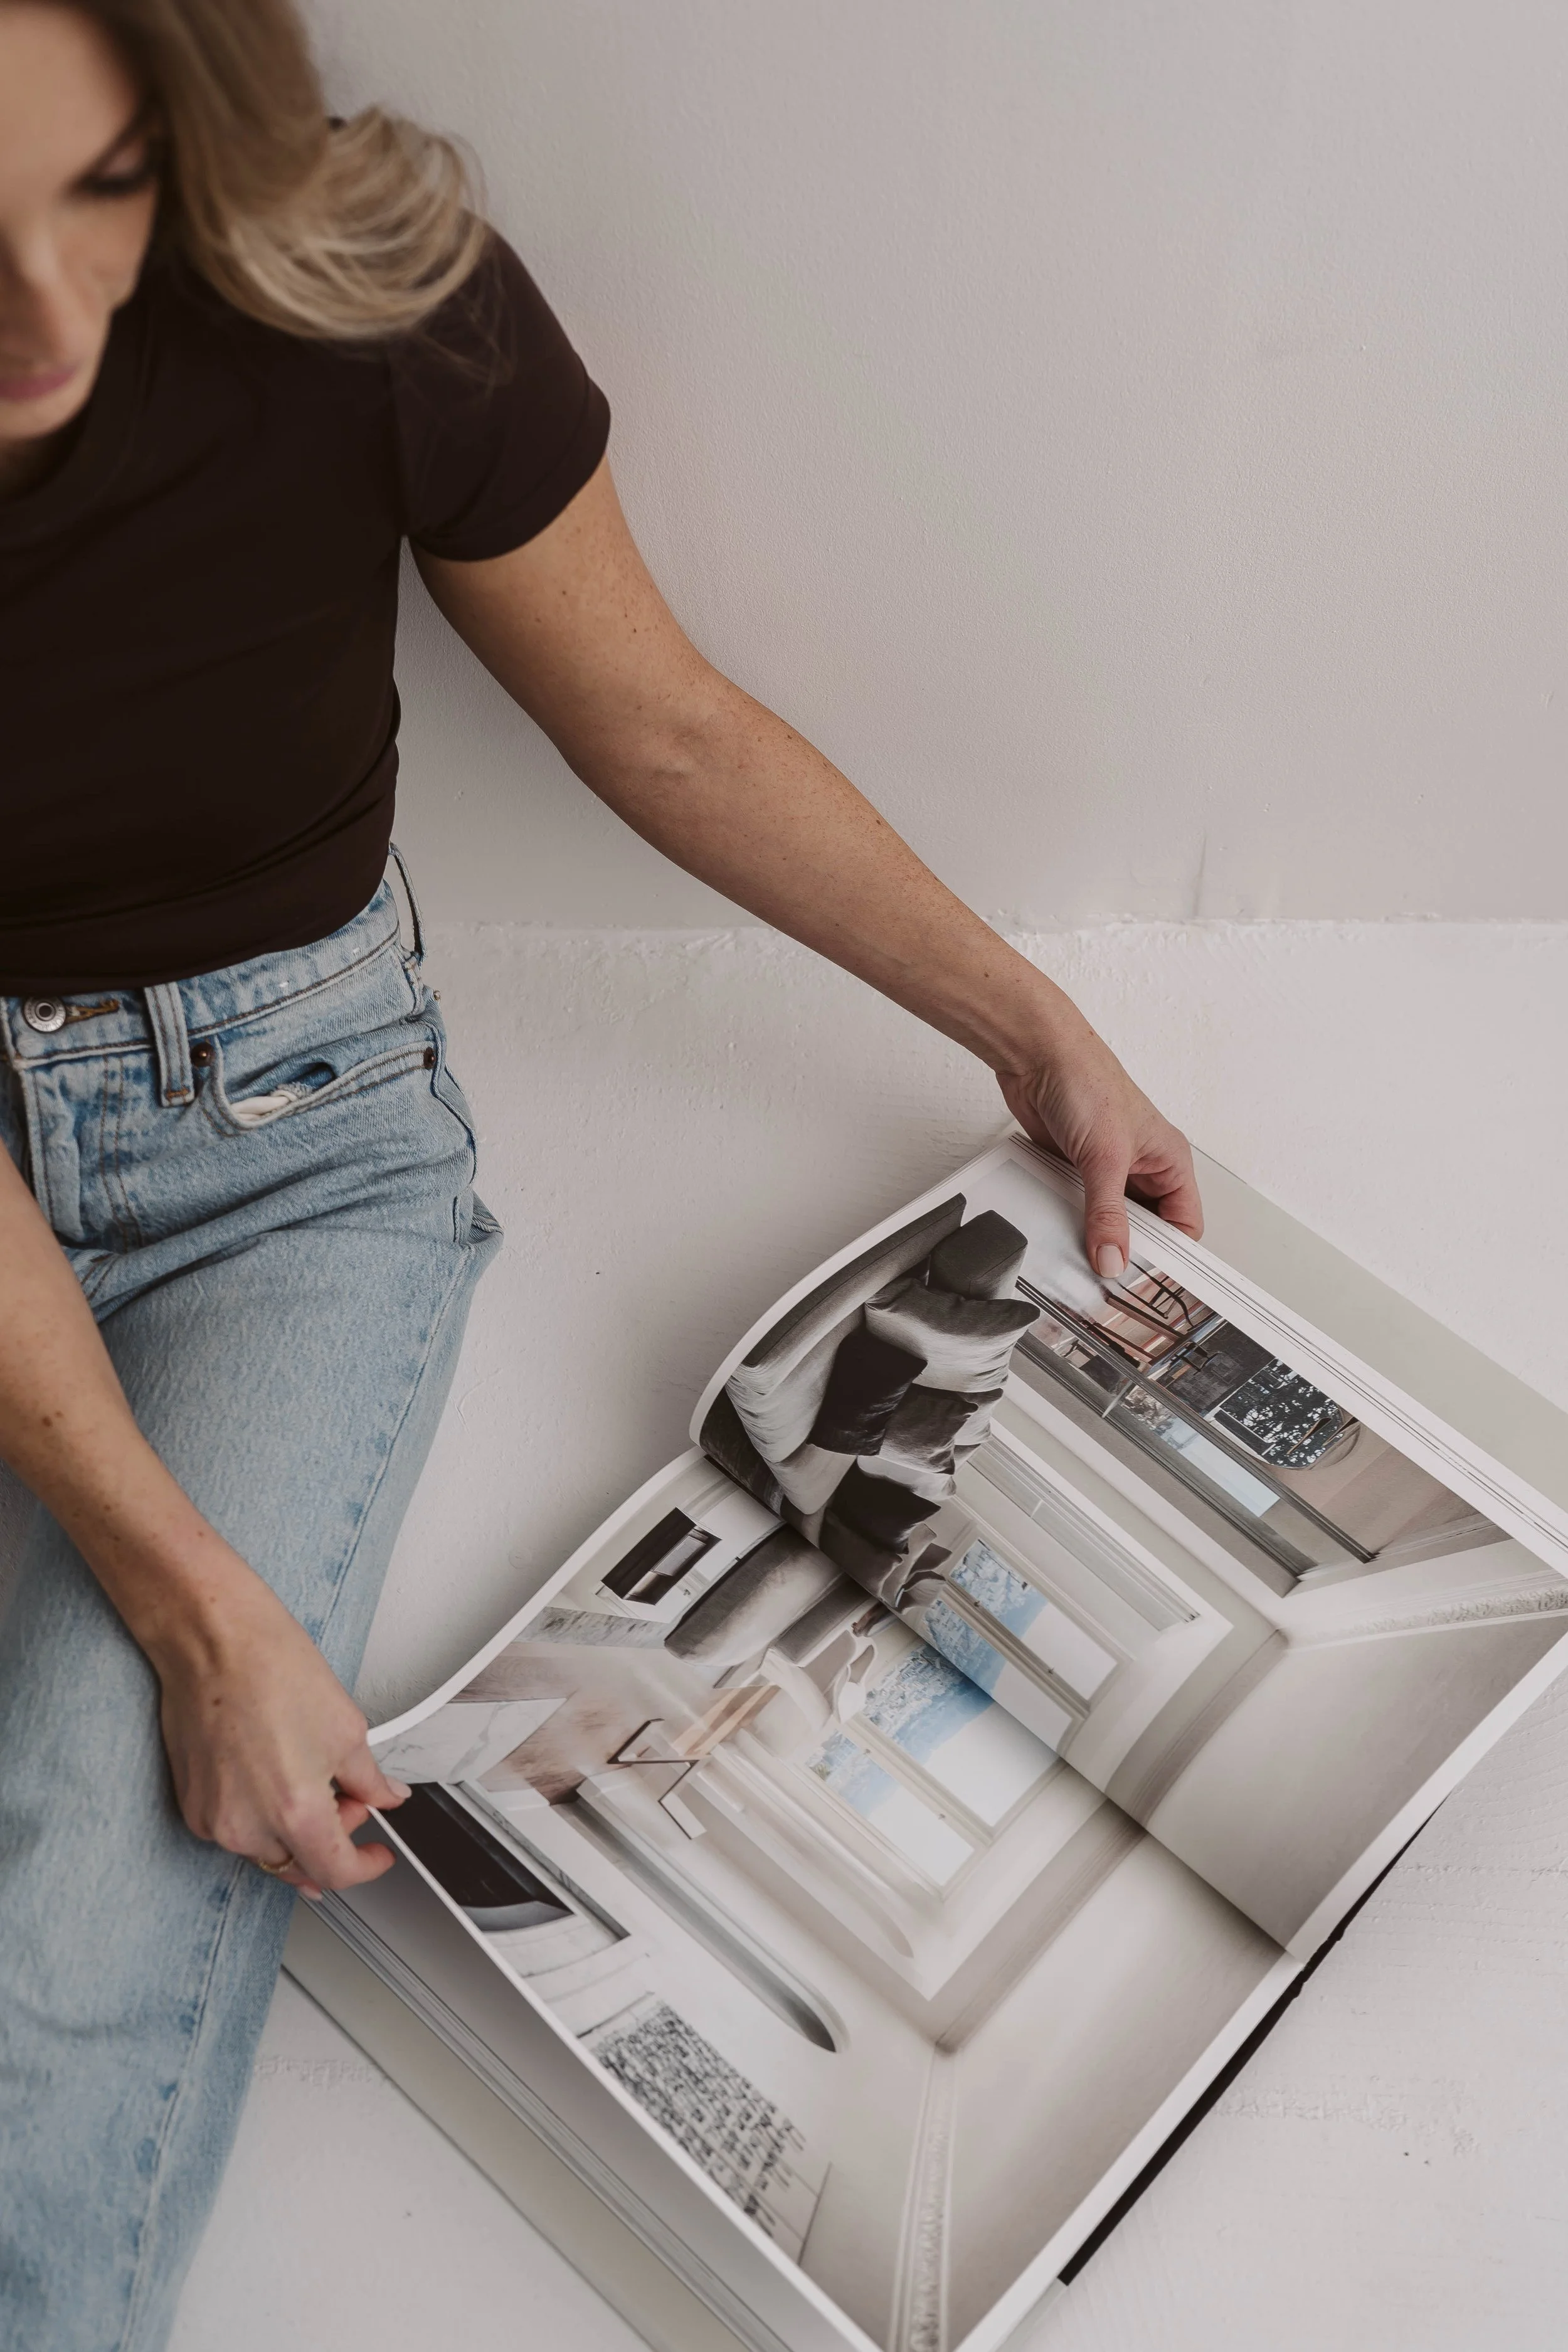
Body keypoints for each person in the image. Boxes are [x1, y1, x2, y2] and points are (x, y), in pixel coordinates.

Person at [0, 2, 1204, 2343]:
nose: (49, 315)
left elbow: (656, 719)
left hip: (292, 1150)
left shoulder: (371, 290)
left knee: (79, 1897)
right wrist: (193, 1593)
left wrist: (1034, 1025)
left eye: (106, 186)